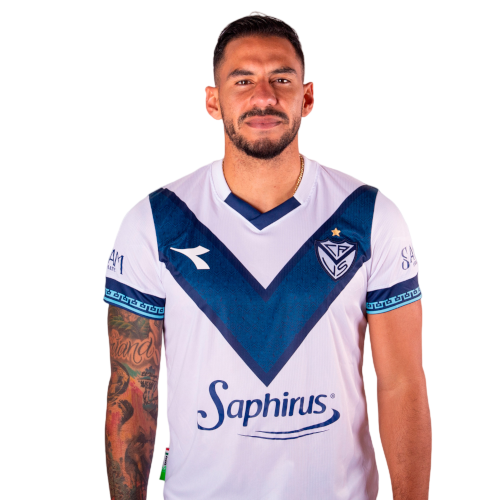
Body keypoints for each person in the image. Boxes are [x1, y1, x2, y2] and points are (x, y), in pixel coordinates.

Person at [102, 9, 435, 500]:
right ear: (212, 102)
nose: (264, 97)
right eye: (242, 81)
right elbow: (131, 390)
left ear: (308, 97)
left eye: (281, 79)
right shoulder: (152, 220)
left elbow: (402, 383)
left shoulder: (371, 215)